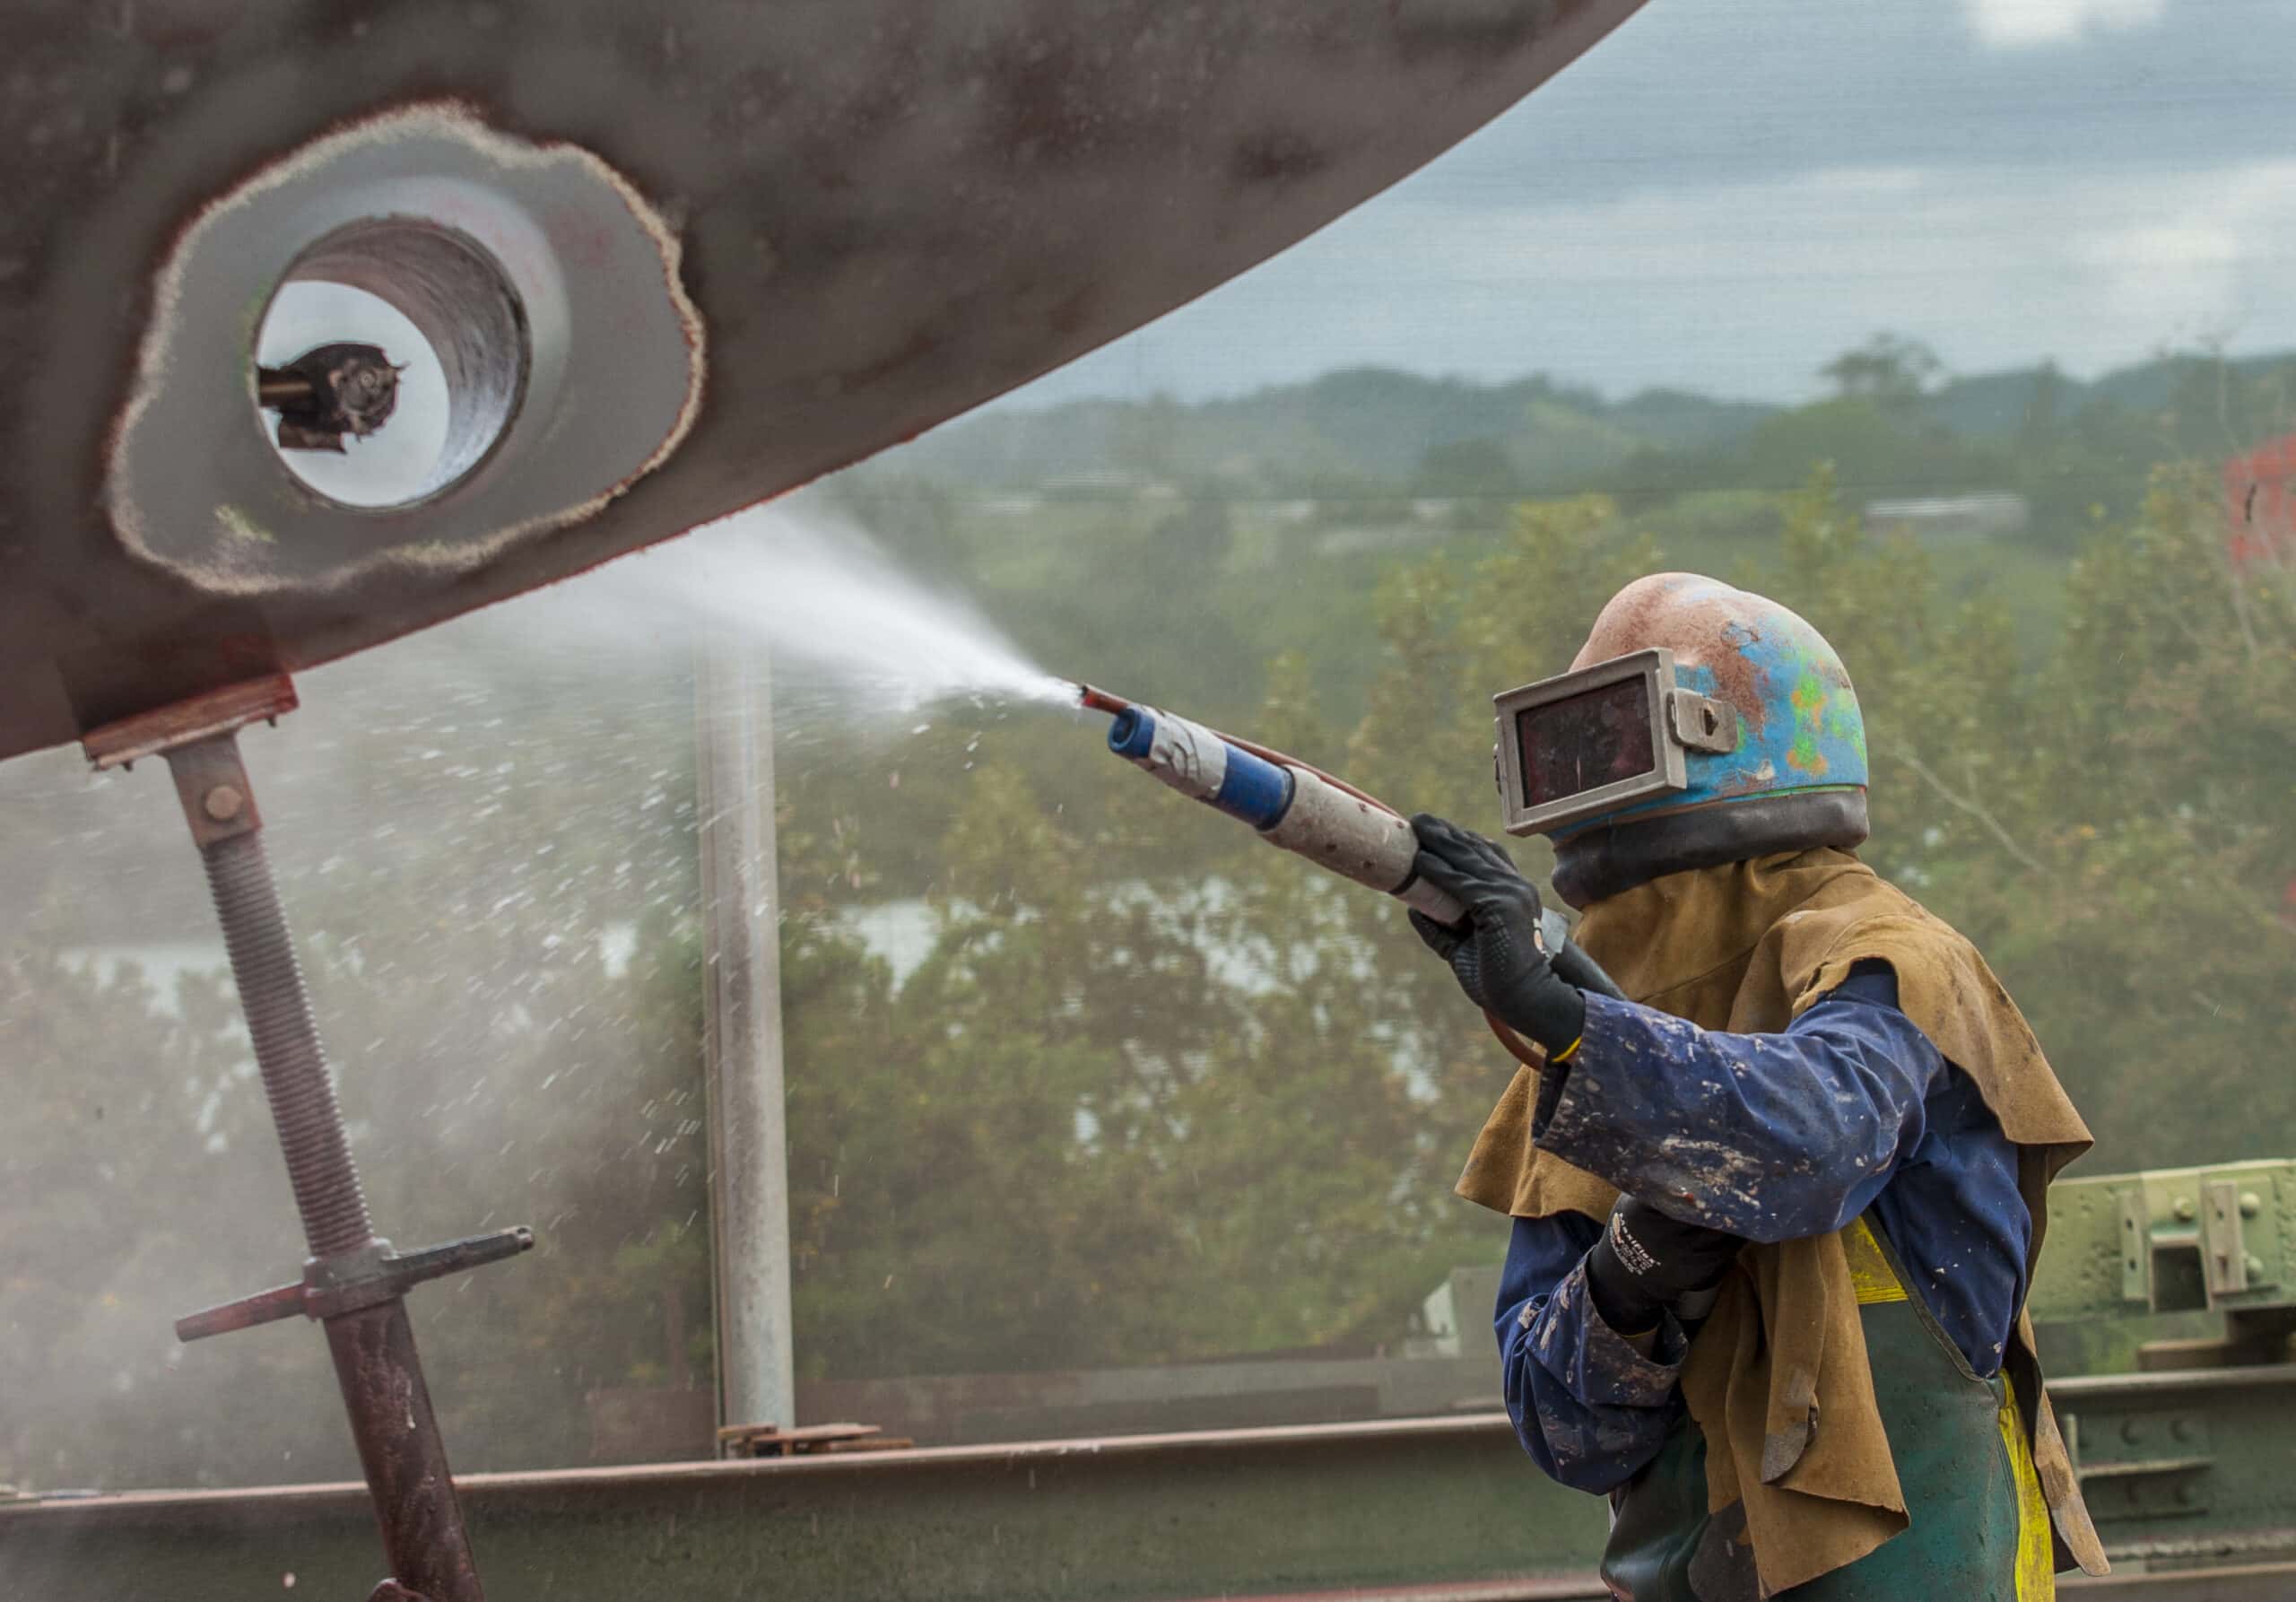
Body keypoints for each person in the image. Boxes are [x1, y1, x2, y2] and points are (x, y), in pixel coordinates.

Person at [1405, 573, 2108, 1601]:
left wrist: (1574, 1027)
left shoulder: (1895, 967)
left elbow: (1809, 1140)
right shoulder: (1584, 1071)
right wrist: (1632, 1276)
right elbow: (1563, 1431)